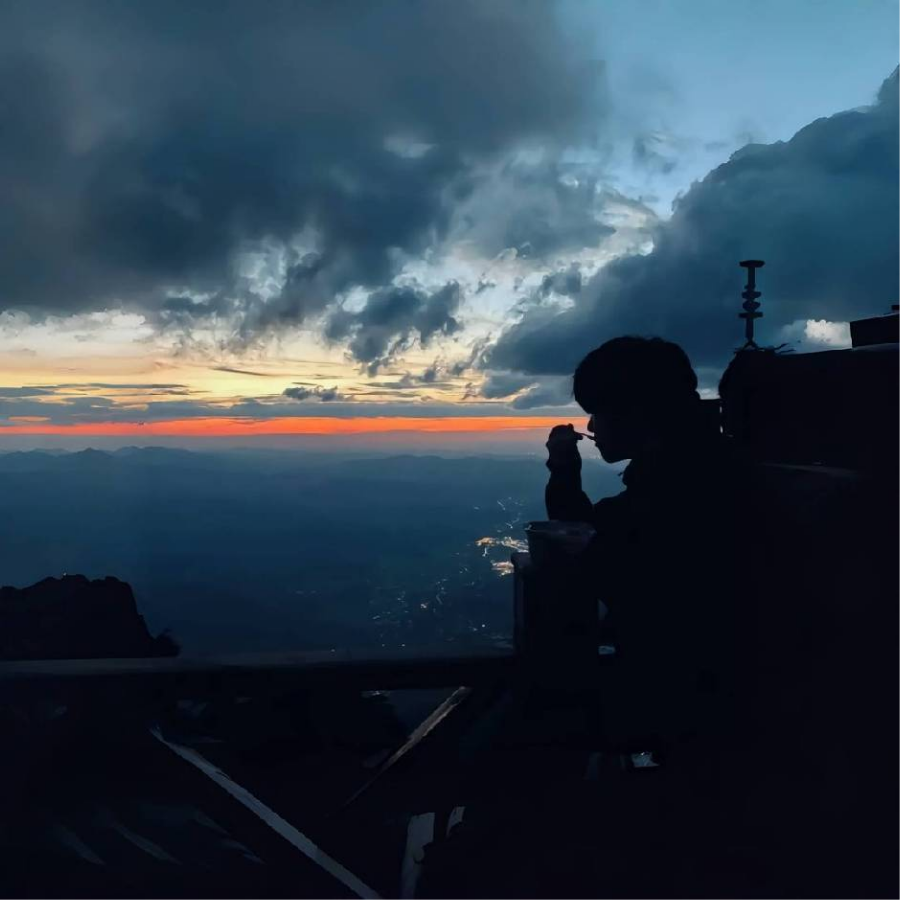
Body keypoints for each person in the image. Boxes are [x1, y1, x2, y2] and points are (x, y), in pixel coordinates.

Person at [544, 335, 749, 758]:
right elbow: (595, 530)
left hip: (696, 711)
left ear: (635, 413)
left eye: (597, 413)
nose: (593, 428)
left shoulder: (678, 487)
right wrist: (564, 469)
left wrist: (563, 471)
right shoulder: (693, 467)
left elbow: (602, 554)